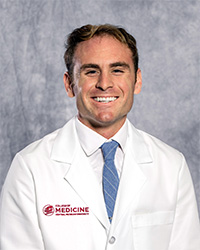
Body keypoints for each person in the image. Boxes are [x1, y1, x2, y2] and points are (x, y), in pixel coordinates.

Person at [0, 24, 200, 250]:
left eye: (117, 70)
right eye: (91, 71)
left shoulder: (172, 166)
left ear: (137, 80)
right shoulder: (30, 168)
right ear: (69, 84)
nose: (104, 84)